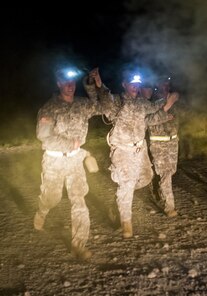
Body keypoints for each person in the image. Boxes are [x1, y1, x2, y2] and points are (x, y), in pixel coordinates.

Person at [34, 66, 106, 260]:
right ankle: (42, 210)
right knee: (52, 198)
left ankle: (78, 244)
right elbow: (43, 136)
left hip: (75, 160)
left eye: (72, 82)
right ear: (58, 84)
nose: (69, 86)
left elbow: (101, 106)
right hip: (54, 160)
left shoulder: (82, 104)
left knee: (79, 200)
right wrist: (69, 142)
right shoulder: (49, 108)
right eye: (65, 82)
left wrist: (93, 84)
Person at [97, 68, 178, 239]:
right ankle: (126, 223)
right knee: (126, 185)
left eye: (137, 84)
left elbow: (151, 116)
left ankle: (121, 197)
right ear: (124, 85)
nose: (135, 87)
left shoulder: (142, 103)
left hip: (140, 151)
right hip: (123, 150)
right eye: (131, 84)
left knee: (146, 177)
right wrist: (97, 83)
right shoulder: (117, 102)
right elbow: (104, 99)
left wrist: (167, 103)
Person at [146, 75, 181, 217]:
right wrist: (167, 107)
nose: (165, 85)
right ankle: (169, 206)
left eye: (167, 83)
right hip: (158, 143)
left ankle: (158, 189)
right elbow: (148, 121)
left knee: (170, 172)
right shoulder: (152, 102)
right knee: (165, 174)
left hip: (172, 142)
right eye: (162, 83)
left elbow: (182, 116)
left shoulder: (175, 100)